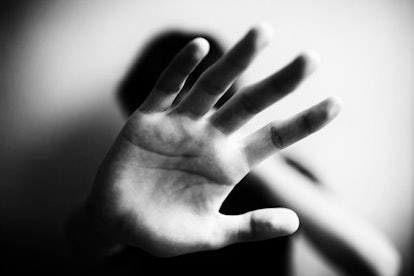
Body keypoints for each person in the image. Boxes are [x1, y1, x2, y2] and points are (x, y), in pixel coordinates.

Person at [67, 23, 401, 275]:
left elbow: (380, 264)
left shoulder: (282, 172)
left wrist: (257, 160)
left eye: (195, 103)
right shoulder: (131, 177)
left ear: (223, 99)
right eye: (169, 113)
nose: (183, 130)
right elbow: (80, 247)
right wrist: (107, 223)